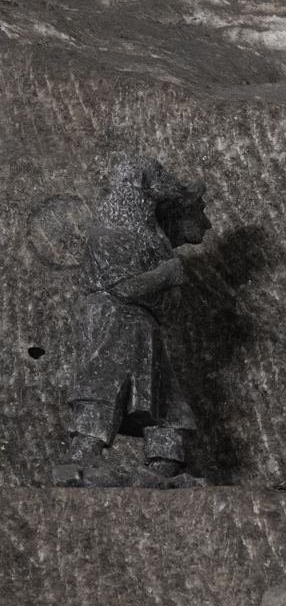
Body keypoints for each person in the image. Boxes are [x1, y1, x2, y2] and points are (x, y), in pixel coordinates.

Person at [55, 157, 211, 489]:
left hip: (141, 322)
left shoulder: (142, 227)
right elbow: (122, 286)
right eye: (158, 175)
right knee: (104, 386)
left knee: (166, 399)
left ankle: (163, 465)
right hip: (112, 319)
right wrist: (166, 274)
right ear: (140, 183)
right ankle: (82, 456)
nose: (166, 180)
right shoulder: (111, 230)